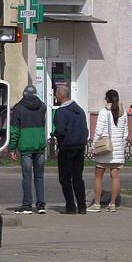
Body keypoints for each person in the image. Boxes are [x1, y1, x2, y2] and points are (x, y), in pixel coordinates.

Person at [9, 84, 48, 214]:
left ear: (24, 94)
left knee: (27, 177)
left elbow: (14, 130)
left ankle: (27, 205)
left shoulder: (18, 108)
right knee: (39, 176)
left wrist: (12, 148)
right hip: (39, 144)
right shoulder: (42, 106)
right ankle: (41, 205)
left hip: (26, 145)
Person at [51, 85, 89, 214]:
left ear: (60, 96)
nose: (57, 96)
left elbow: (60, 130)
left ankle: (71, 206)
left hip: (67, 147)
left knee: (65, 178)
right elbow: (85, 129)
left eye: (57, 94)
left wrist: (55, 135)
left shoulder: (62, 111)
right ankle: (82, 207)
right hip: (80, 147)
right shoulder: (80, 110)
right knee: (78, 177)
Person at [89, 89, 128, 212]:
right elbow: (125, 133)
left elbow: (98, 131)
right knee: (115, 176)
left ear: (107, 99)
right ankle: (112, 204)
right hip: (117, 150)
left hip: (105, 149)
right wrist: (122, 146)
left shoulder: (104, 112)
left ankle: (97, 203)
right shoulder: (123, 113)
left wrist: (93, 146)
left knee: (98, 176)